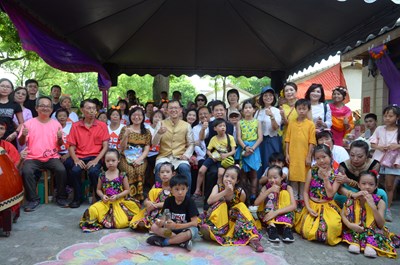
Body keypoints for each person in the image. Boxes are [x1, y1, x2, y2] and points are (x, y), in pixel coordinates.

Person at [19, 96, 69, 211]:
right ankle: (33, 199)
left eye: (48, 106)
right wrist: (23, 134)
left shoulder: (56, 124)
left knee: (61, 169)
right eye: (42, 105)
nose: (45, 108)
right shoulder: (28, 123)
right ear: (36, 108)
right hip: (32, 157)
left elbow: (60, 144)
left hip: (52, 157)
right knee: (26, 171)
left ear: (51, 109)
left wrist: (60, 138)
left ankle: (61, 197)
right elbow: (22, 142)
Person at [199, 166, 264, 252]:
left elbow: (242, 210)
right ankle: (213, 232)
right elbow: (209, 201)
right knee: (221, 204)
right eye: (226, 176)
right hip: (219, 220)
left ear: (237, 181)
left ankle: (253, 239)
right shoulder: (217, 187)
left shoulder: (240, 192)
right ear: (223, 177)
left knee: (241, 205)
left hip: (233, 221)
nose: (228, 179)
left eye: (232, 178)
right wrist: (225, 192)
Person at [341, 170, 399, 258]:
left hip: (374, 230)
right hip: (355, 228)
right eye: (363, 183)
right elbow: (343, 215)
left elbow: (381, 224)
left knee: (375, 238)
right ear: (359, 185)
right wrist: (350, 225)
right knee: (352, 240)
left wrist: (373, 206)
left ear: (376, 186)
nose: (367, 187)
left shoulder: (380, 202)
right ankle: (357, 242)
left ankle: (370, 245)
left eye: (371, 184)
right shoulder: (353, 198)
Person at [79, 149, 140, 232]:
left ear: (118, 160)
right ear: (105, 162)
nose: (110, 163)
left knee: (121, 223)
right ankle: (103, 220)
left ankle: (106, 221)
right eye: (108, 161)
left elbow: (127, 190)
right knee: (92, 210)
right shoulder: (102, 175)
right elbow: (98, 190)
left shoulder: (122, 175)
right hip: (106, 202)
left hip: (119, 202)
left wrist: (117, 196)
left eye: (113, 160)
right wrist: (102, 196)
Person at [294, 144, 342, 246]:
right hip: (312, 205)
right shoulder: (312, 171)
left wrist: (325, 178)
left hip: (328, 206)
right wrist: (308, 207)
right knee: (307, 231)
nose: (321, 161)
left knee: (332, 228)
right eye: (317, 158)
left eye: (324, 157)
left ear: (330, 157)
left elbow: (330, 194)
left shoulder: (337, 174)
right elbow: (305, 192)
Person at [66, 99, 109, 208]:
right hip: (79, 156)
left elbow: (105, 146)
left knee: (94, 172)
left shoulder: (102, 126)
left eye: (94, 109)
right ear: (82, 110)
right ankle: (77, 198)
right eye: (88, 108)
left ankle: (99, 199)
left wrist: (96, 160)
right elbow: (71, 146)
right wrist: (75, 159)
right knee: (74, 171)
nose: (91, 111)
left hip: (95, 156)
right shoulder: (75, 126)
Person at [146, 174, 199, 251]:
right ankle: (182, 242)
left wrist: (176, 225)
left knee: (193, 231)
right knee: (154, 227)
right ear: (171, 190)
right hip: (171, 230)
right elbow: (163, 218)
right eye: (177, 189)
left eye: (183, 189)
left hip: (185, 229)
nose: (180, 192)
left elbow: (194, 223)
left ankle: (166, 242)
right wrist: (161, 222)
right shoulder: (168, 201)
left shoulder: (190, 202)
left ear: (187, 189)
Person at [153, 100, 194, 196]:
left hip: (180, 157)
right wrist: (159, 133)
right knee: (159, 168)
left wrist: (186, 155)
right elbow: (154, 143)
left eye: (176, 108)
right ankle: (158, 196)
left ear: (180, 110)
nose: (173, 110)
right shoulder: (161, 123)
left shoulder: (186, 125)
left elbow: (191, 143)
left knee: (185, 168)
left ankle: (186, 198)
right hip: (164, 156)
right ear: (167, 110)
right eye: (171, 108)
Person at [335, 140, 388, 209]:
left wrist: (349, 181)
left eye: (360, 156)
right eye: (352, 155)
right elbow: (339, 187)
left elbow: (372, 185)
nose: (355, 159)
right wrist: (352, 194)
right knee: (337, 196)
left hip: (368, 190)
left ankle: (380, 215)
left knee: (382, 193)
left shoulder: (374, 165)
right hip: (348, 191)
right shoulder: (343, 166)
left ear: (367, 155)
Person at [369, 105, 400, 222]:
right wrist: (380, 147)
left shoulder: (399, 130)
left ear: (397, 117)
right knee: (375, 182)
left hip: (393, 161)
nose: (387, 118)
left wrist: (397, 146)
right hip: (379, 159)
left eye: (390, 116)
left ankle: (387, 209)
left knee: (389, 186)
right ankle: (374, 205)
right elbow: (372, 144)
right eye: (385, 115)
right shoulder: (379, 129)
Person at [194, 118, 236, 197]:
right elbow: (208, 150)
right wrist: (211, 156)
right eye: (220, 126)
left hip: (223, 159)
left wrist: (226, 155)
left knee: (220, 174)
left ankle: (217, 192)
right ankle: (197, 190)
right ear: (215, 128)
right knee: (201, 171)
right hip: (213, 157)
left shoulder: (230, 137)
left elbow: (233, 151)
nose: (223, 127)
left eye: (224, 126)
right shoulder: (213, 138)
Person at [254, 165, 296, 243]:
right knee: (270, 196)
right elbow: (256, 203)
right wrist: (269, 191)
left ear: (281, 177)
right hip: (269, 213)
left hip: (283, 213)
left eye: (275, 177)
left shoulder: (288, 188)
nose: (272, 180)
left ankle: (287, 228)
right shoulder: (266, 187)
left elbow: (293, 206)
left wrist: (276, 212)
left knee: (284, 193)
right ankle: (272, 227)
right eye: (270, 177)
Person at [285, 99, 316, 201]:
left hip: (304, 156)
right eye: (299, 108)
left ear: (308, 110)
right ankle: (294, 202)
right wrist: (287, 154)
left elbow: (312, 141)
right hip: (293, 155)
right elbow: (287, 140)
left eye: (304, 108)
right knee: (293, 178)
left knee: (304, 179)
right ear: (296, 109)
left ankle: (303, 202)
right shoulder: (291, 123)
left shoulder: (311, 124)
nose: (302, 111)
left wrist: (309, 156)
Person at [119, 106, 151, 201]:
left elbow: (147, 147)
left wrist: (140, 159)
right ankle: (128, 197)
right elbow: (122, 147)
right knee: (130, 171)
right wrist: (125, 136)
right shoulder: (125, 129)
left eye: (139, 115)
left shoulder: (146, 132)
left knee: (139, 171)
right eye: (134, 115)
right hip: (125, 158)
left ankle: (139, 197)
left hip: (140, 158)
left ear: (143, 117)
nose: (136, 117)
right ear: (130, 116)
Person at [130, 162, 174, 230]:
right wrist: (148, 203)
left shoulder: (173, 187)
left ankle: (155, 224)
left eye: (168, 172)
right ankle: (149, 222)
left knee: (165, 222)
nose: (165, 174)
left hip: (165, 211)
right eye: (162, 172)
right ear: (159, 175)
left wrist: (156, 205)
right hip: (152, 210)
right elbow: (147, 199)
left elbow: (173, 202)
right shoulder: (156, 186)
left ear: (173, 174)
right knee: (138, 223)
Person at [235, 100, 262, 204]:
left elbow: (260, 138)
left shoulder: (257, 122)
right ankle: (244, 195)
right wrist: (245, 148)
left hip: (254, 149)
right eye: (245, 108)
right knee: (243, 175)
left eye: (250, 107)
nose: (247, 109)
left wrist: (253, 148)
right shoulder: (239, 123)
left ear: (254, 110)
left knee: (254, 174)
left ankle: (253, 195)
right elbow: (238, 138)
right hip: (243, 148)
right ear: (242, 111)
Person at [255, 86, 282, 177]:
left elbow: (276, 128)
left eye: (270, 95)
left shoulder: (276, 111)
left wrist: (271, 116)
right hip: (259, 142)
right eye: (265, 95)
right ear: (262, 97)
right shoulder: (258, 112)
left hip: (272, 141)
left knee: (271, 164)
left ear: (274, 97)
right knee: (259, 165)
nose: (268, 97)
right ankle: (260, 188)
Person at [0, 78, 23, 145]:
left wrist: (15, 133)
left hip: (9, 138)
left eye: (8, 87)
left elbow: (22, 123)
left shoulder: (15, 105)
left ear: (11, 90)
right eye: (2, 86)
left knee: (8, 155)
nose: (5, 88)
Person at [279, 82, 298, 151]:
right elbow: (281, 123)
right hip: (286, 137)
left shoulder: (302, 105)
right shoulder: (282, 107)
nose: (289, 92)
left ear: (296, 91)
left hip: (300, 136)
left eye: (291, 90)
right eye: (286, 91)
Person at [13, 86, 32, 152]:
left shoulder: (28, 111)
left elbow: (29, 127)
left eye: (23, 94)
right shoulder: (8, 108)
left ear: (26, 97)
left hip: (22, 139)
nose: (20, 95)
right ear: (14, 94)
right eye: (18, 93)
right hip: (8, 136)